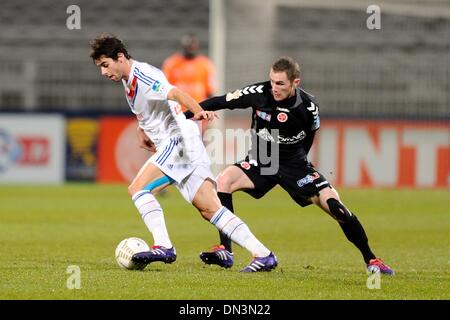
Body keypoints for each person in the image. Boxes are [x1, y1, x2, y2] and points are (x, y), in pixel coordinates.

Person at [186, 56, 395, 275]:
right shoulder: (259, 93)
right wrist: (184, 116)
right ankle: (225, 252)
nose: (274, 88)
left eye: (280, 83)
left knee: (336, 207)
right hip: (263, 159)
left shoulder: (308, 108)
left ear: (295, 82)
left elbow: (309, 138)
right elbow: (218, 101)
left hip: (295, 165)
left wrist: (300, 164)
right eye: (272, 81)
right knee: (224, 181)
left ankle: (372, 260)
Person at [89, 33, 277, 272]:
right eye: (100, 67)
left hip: (179, 141)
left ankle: (164, 246)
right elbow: (152, 107)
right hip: (186, 143)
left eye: (105, 65)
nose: (104, 72)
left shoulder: (143, 75)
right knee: (210, 209)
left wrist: (199, 111)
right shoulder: (129, 79)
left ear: (120, 57)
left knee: (138, 189)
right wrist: (142, 129)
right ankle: (263, 254)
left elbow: (175, 94)